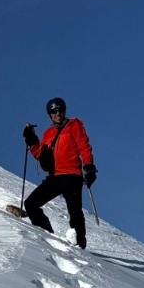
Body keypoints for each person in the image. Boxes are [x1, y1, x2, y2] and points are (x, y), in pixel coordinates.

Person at [22, 98, 97, 250]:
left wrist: (88, 165)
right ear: (49, 114)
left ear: (64, 111)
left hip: (72, 175)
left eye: (59, 110)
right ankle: (48, 236)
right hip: (54, 176)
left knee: (74, 211)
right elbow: (40, 155)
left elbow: (84, 146)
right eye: (53, 112)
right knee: (30, 204)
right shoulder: (48, 133)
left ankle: (79, 245)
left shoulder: (74, 125)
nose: (57, 114)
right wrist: (31, 140)